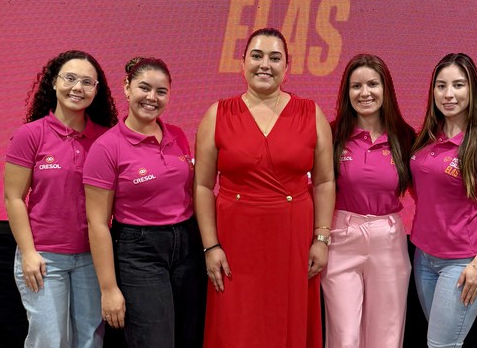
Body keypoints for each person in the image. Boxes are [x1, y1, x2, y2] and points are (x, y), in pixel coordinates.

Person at [194, 27, 335, 348]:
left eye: (275, 58)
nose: (265, 65)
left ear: (287, 66)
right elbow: (202, 185)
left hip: (293, 240)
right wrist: (210, 246)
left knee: (286, 322)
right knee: (237, 326)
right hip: (234, 243)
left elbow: (325, 181)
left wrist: (321, 238)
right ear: (242, 63)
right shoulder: (217, 114)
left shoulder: (311, 113)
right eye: (256, 56)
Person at [83, 57, 205, 348]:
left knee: (189, 338)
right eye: (144, 88)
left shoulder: (177, 135)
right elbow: (97, 223)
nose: (152, 97)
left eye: (161, 91)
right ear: (126, 88)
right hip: (139, 252)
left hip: (187, 247)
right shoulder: (106, 147)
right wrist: (109, 288)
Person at [4, 50, 118, 348]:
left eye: (87, 82)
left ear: (96, 90)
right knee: (50, 340)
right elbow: (14, 198)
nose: (77, 88)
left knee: (90, 340)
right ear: (54, 82)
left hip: (93, 258)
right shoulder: (30, 135)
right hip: (45, 257)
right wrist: (28, 253)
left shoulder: (107, 139)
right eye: (70, 78)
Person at [410, 53, 477, 348]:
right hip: (424, 258)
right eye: (441, 86)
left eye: (458, 85)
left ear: (472, 90)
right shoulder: (426, 138)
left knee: (441, 345)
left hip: (462, 262)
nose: (449, 94)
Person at [322, 54, 415, 348]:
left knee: (386, 337)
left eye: (373, 84)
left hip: (388, 239)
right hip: (341, 237)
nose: (365, 93)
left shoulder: (404, 137)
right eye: (356, 86)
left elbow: (428, 188)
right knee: (345, 337)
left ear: (386, 89)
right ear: (346, 93)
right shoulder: (331, 134)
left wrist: (471, 201)